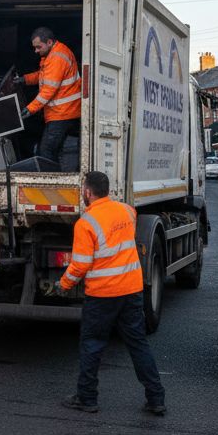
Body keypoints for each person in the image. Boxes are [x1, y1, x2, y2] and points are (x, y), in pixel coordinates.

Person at [48, 171, 166, 415]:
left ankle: (87, 397)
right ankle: (156, 398)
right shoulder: (127, 212)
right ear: (107, 190)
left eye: (83, 189)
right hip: (131, 290)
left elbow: (80, 265)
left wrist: (64, 285)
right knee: (137, 343)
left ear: (88, 192)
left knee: (92, 344)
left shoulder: (86, 223)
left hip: (102, 294)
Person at [14, 27, 82, 165]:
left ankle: (52, 181)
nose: (36, 51)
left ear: (49, 42)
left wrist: (29, 109)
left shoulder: (57, 59)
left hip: (62, 112)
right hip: (65, 111)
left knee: (47, 151)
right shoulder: (54, 54)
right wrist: (24, 80)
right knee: (50, 149)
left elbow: (48, 91)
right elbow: (44, 76)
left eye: (39, 47)